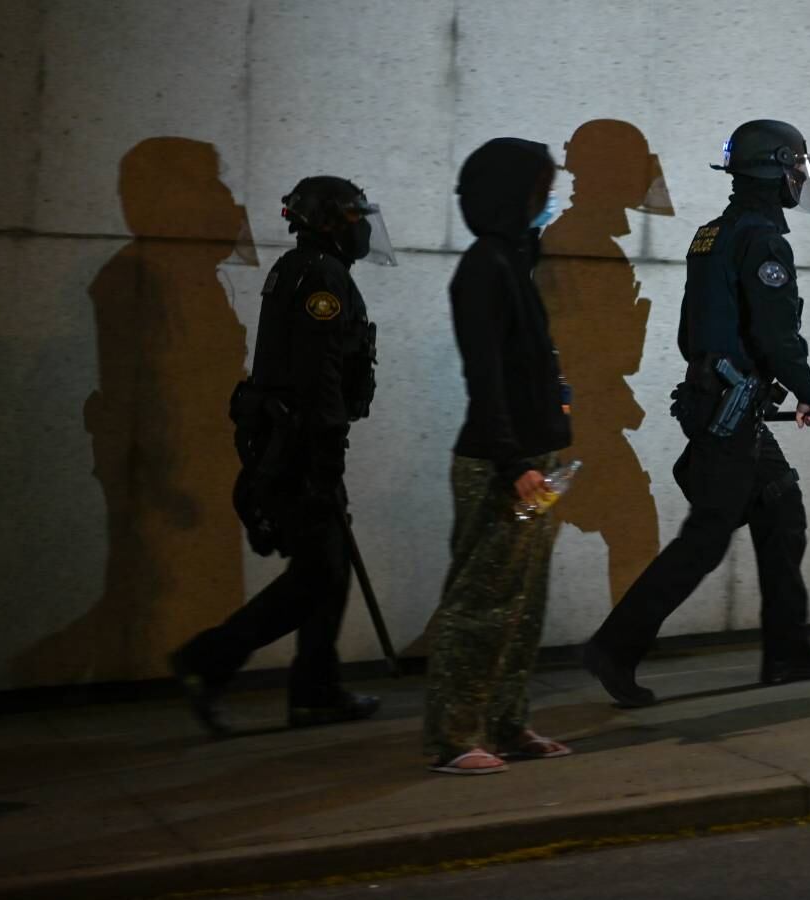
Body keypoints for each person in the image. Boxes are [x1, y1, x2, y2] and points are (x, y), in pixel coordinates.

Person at [582, 119, 810, 707]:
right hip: (732, 406)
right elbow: (775, 332)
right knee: (705, 539)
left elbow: (695, 325)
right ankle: (615, 646)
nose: (800, 178)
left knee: (781, 507)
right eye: (795, 167)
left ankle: (788, 652)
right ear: (774, 169)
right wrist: (807, 392)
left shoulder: (713, 232)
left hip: (720, 398)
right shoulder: (763, 239)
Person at [170, 175, 393, 735]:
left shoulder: (298, 269)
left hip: (289, 442)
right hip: (300, 447)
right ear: (329, 222)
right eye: (354, 216)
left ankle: (316, 693)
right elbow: (318, 380)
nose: (364, 227)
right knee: (317, 575)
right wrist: (324, 464)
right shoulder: (322, 277)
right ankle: (208, 660)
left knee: (328, 568)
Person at [423, 138, 576, 775]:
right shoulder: (485, 266)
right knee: (480, 606)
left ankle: (508, 725)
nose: (548, 202)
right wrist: (515, 463)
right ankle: (456, 737)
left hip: (530, 456)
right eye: (539, 190)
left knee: (522, 602)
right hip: (499, 463)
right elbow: (483, 379)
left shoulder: (512, 258)